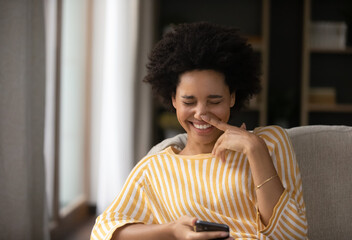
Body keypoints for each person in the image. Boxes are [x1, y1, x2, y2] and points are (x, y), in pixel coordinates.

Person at [90, 22, 308, 240]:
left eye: (214, 101)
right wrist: (172, 230)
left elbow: (293, 236)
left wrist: (255, 151)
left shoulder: (270, 143)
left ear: (232, 97)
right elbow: (102, 233)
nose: (201, 113)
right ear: (173, 99)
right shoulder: (155, 169)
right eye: (189, 101)